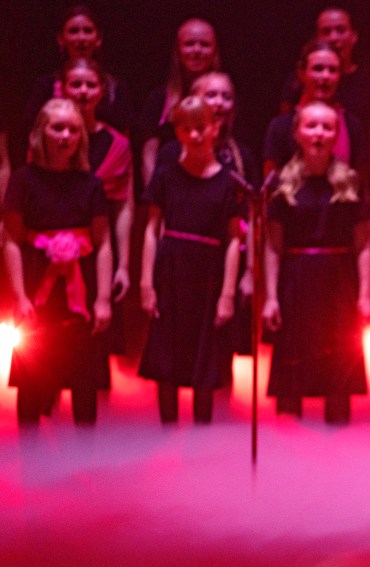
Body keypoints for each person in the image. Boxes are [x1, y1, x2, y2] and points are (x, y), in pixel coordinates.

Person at [2, 98, 112, 424]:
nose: (66, 136)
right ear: (41, 132)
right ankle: (30, 448)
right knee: (32, 375)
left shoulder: (90, 184)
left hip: (80, 288)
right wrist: (20, 296)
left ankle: (86, 449)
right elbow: (11, 241)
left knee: (84, 379)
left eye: (73, 130)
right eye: (58, 128)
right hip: (38, 284)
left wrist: (103, 299)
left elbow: (103, 243)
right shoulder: (22, 180)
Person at [262, 102, 370, 422]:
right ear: (297, 133)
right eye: (311, 126)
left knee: (339, 371)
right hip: (295, 285)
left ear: (336, 135)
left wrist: (365, 295)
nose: (319, 133)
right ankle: (287, 442)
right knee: (291, 375)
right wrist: (270, 298)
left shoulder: (350, 182)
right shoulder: (281, 185)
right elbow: (273, 247)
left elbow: (363, 247)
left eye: (327, 127)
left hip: (338, 285)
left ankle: (338, 444)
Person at [138, 97, 244, 423]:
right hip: (170, 270)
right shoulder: (166, 175)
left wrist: (228, 294)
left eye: (201, 128)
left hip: (208, 275)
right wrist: (146, 283)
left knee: (205, 362)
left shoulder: (229, 182)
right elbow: (152, 229)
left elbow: (234, 240)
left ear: (215, 128)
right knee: (166, 360)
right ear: (178, 132)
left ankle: (202, 435)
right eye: (186, 129)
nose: (195, 135)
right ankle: (166, 429)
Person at [61, 58, 134, 378]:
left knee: (90, 360)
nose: (83, 91)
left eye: (90, 85)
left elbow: (123, 208)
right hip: (49, 254)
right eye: (75, 84)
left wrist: (123, 265)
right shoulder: (47, 139)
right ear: (62, 88)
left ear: (102, 91)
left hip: (95, 257)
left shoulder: (117, 145)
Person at [263, 40, 368, 178]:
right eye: (318, 69)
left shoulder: (353, 126)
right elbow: (270, 182)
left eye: (333, 70)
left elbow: (360, 181)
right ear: (302, 73)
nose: (325, 76)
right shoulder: (280, 127)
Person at [23, 5, 133, 134]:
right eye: (73, 31)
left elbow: (123, 137)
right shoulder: (45, 86)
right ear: (61, 39)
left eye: (87, 31)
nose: (81, 38)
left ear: (98, 39)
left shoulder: (115, 88)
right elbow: (34, 135)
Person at [138, 18, 220, 186]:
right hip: (170, 191)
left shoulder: (223, 99)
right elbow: (149, 157)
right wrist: (153, 194)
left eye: (204, 44)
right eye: (189, 44)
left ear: (215, 51)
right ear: (178, 50)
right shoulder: (159, 99)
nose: (197, 50)